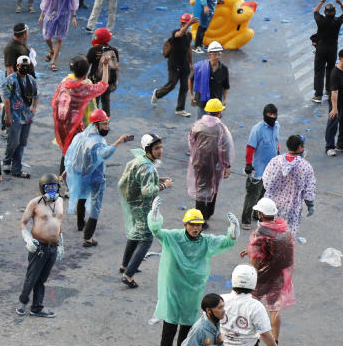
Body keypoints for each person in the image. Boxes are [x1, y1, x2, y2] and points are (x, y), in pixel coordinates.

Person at [147, 197, 237, 346]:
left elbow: (226, 242)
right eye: (192, 224)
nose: (196, 228)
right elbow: (157, 232)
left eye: (199, 225)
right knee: (170, 325)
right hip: (173, 287)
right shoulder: (173, 237)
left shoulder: (206, 241)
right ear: (185, 225)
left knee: (188, 324)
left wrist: (233, 232)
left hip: (193, 288)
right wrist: (154, 217)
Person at [64, 109, 131, 247]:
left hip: (82, 175)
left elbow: (73, 156)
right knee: (96, 205)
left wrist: (67, 171)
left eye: (107, 123)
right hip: (96, 177)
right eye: (104, 124)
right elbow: (105, 154)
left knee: (81, 197)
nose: (107, 127)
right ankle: (88, 237)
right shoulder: (98, 141)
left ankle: (80, 224)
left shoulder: (82, 136)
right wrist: (118, 142)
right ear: (96, 125)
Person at [118, 133, 174, 287]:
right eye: (156, 148)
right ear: (148, 149)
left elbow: (139, 177)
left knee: (135, 234)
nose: (160, 151)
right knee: (146, 239)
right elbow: (147, 190)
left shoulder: (139, 160)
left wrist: (159, 178)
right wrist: (164, 185)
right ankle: (128, 275)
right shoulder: (148, 167)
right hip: (143, 206)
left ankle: (125, 264)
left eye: (161, 147)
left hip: (133, 203)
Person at [241, 197, 294, 346]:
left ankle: (249, 340)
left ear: (262, 214)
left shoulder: (260, 232)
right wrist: (249, 249)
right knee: (274, 309)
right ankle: (274, 344)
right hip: (279, 275)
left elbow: (257, 257)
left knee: (251, 306)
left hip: (262, 276)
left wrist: (250, 276)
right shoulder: (284, 229)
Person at [17, 176, 64, 319]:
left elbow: (58, 223)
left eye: (54, 187)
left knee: (42, 279)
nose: (51, 191)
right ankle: (22, 303)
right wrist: (28, 240)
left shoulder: (60, 201)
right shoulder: (35, 203)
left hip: (53, 248)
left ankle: (37, 308)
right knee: (31, 278)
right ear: (42, 189)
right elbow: (23, 223)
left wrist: (61, 242)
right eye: (48, 188)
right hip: (39, 248)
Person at [51, 55, 110, 167]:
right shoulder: (84, 88)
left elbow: (55, 102)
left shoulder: (64, 83)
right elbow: (103, 85)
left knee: (66, 152)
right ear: (86, 72)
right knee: (76, 155)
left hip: (61, 126)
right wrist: (105, 66)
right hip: (75, 128)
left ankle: (62, 177)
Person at [186, 98, 233, 223]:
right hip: (215, 165)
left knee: (201, 187)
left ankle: (200, 218)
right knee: (213, 186)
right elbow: (226, 147)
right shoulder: (221, 128)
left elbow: (191, 142)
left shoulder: (197, 125)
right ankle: (208, 213)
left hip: (199, 163)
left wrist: (196, 155)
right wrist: (227, 165)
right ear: (218, 113)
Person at [262, 135, 316, 237]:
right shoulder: (305, 166)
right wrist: (310, 205)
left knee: (269, 234)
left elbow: (266, 181)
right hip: (292, 208)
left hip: (271, 204)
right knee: (286, 237)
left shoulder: (275, 161)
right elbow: (309, 188)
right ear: (300, 147)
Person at [240, 104, 279, 227]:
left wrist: (277, 154)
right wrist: (248, 164)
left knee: (264, 193)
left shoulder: (277, 126)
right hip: (258, 168)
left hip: (270, 168)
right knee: (252, 194)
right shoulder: (257, 129)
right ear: (265, 115)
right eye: (270, 115)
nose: (272, 117)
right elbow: (250, 147)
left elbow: (276, 142)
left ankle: (257, 214)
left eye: (274, 115)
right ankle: (245, 219)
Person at [152, 14, 196, 117]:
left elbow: (189, 49)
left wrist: (190, 63)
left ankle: (180, 109)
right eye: (185, 23)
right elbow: (179, 34)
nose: (187, 26)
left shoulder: (189, 36)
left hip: (184, 64)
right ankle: (157, 94)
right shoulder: (175, 33)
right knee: (172, 84)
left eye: (188, 24)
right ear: (181, 24)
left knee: (184, 86)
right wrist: (190, 22)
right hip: (174, 64)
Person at [3, 55, 38, 178]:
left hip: (26, 118)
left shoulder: (31, 80)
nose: (24, 68)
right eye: (22, 66)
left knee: (22, 143)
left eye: (26, 66)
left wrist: (34, 108)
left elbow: (36, 95)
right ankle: (7, 160)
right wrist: (7, 117)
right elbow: (6, 100)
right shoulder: (10, 80)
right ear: (17, 66)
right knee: (13, 142)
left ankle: (16, 169)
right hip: (14, 117)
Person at [40, 0, 78, 71]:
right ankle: (51, 50)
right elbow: (46, 0)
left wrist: (74, 16)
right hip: (51, 13)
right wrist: (42, 13)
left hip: (64, 15)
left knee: (59, 39)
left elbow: (73, 1)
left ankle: (53, 62)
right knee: (47, 36)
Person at [312, 0, 343, 102]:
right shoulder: (337, 22)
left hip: (321, 49)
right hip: (332, 49)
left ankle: (318, 95)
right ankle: (329, 91)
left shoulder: (320, 20)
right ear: (334, 12)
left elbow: (315, 11)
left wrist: (322, 0)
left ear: (325, 12)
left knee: (319, 71)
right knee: (330, 69)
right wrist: (340, 3)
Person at [85, 28, 119, 115]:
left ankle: (94, 120)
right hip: (108, 81)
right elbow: (116, 66)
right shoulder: (113, 50)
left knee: (94, 102)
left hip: (95, 81)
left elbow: (86, 65)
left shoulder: (93, 50)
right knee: (106, 101)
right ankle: (105, 122)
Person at [188, 42, 229, 110]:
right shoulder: (199, 67)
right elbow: (190, 79)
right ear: (209, 55)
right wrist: (191, 95)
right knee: (202, 120)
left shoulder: (224, 69)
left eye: (219, 54)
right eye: (215, 54)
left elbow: (226, 86)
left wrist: (225, 100)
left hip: (216, 105)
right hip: (202, 103)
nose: (217, 57)